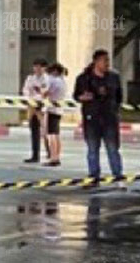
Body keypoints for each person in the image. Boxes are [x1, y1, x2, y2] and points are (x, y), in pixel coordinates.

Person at [74, 49, 124, 182]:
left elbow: (119, 97)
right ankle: (94, 174)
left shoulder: (114, 77)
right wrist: (82, 97)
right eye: (104, 60)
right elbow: (76, 95)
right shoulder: (84, 78)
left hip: (109, 118)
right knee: (92, 148)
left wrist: (115, 110)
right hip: (92, 118)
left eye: (108, 60)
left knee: (113, 148)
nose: (107, 64)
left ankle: (117, 173)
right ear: (96, 61)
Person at [22, 58, 50, 164]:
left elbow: (45, 93)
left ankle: (50, 152)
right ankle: (35, 155)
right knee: (34, 131)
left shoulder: (47, 79)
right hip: (32, 106)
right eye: (35, 66)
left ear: (44, 68)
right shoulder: (30, 78)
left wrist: (38, 99)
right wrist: (30, 99)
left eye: (40, 67)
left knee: (46, 131)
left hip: (43, 107)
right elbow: (25, 90)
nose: (37, 69)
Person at [44, 62, 67, 167]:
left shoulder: (52, 80)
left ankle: (53, 157)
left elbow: (46, 93)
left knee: (51, 134)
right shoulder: (62, 81)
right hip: (60, 109)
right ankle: (57, 156)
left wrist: (40, 92)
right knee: (57, 134)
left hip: (52, 108)